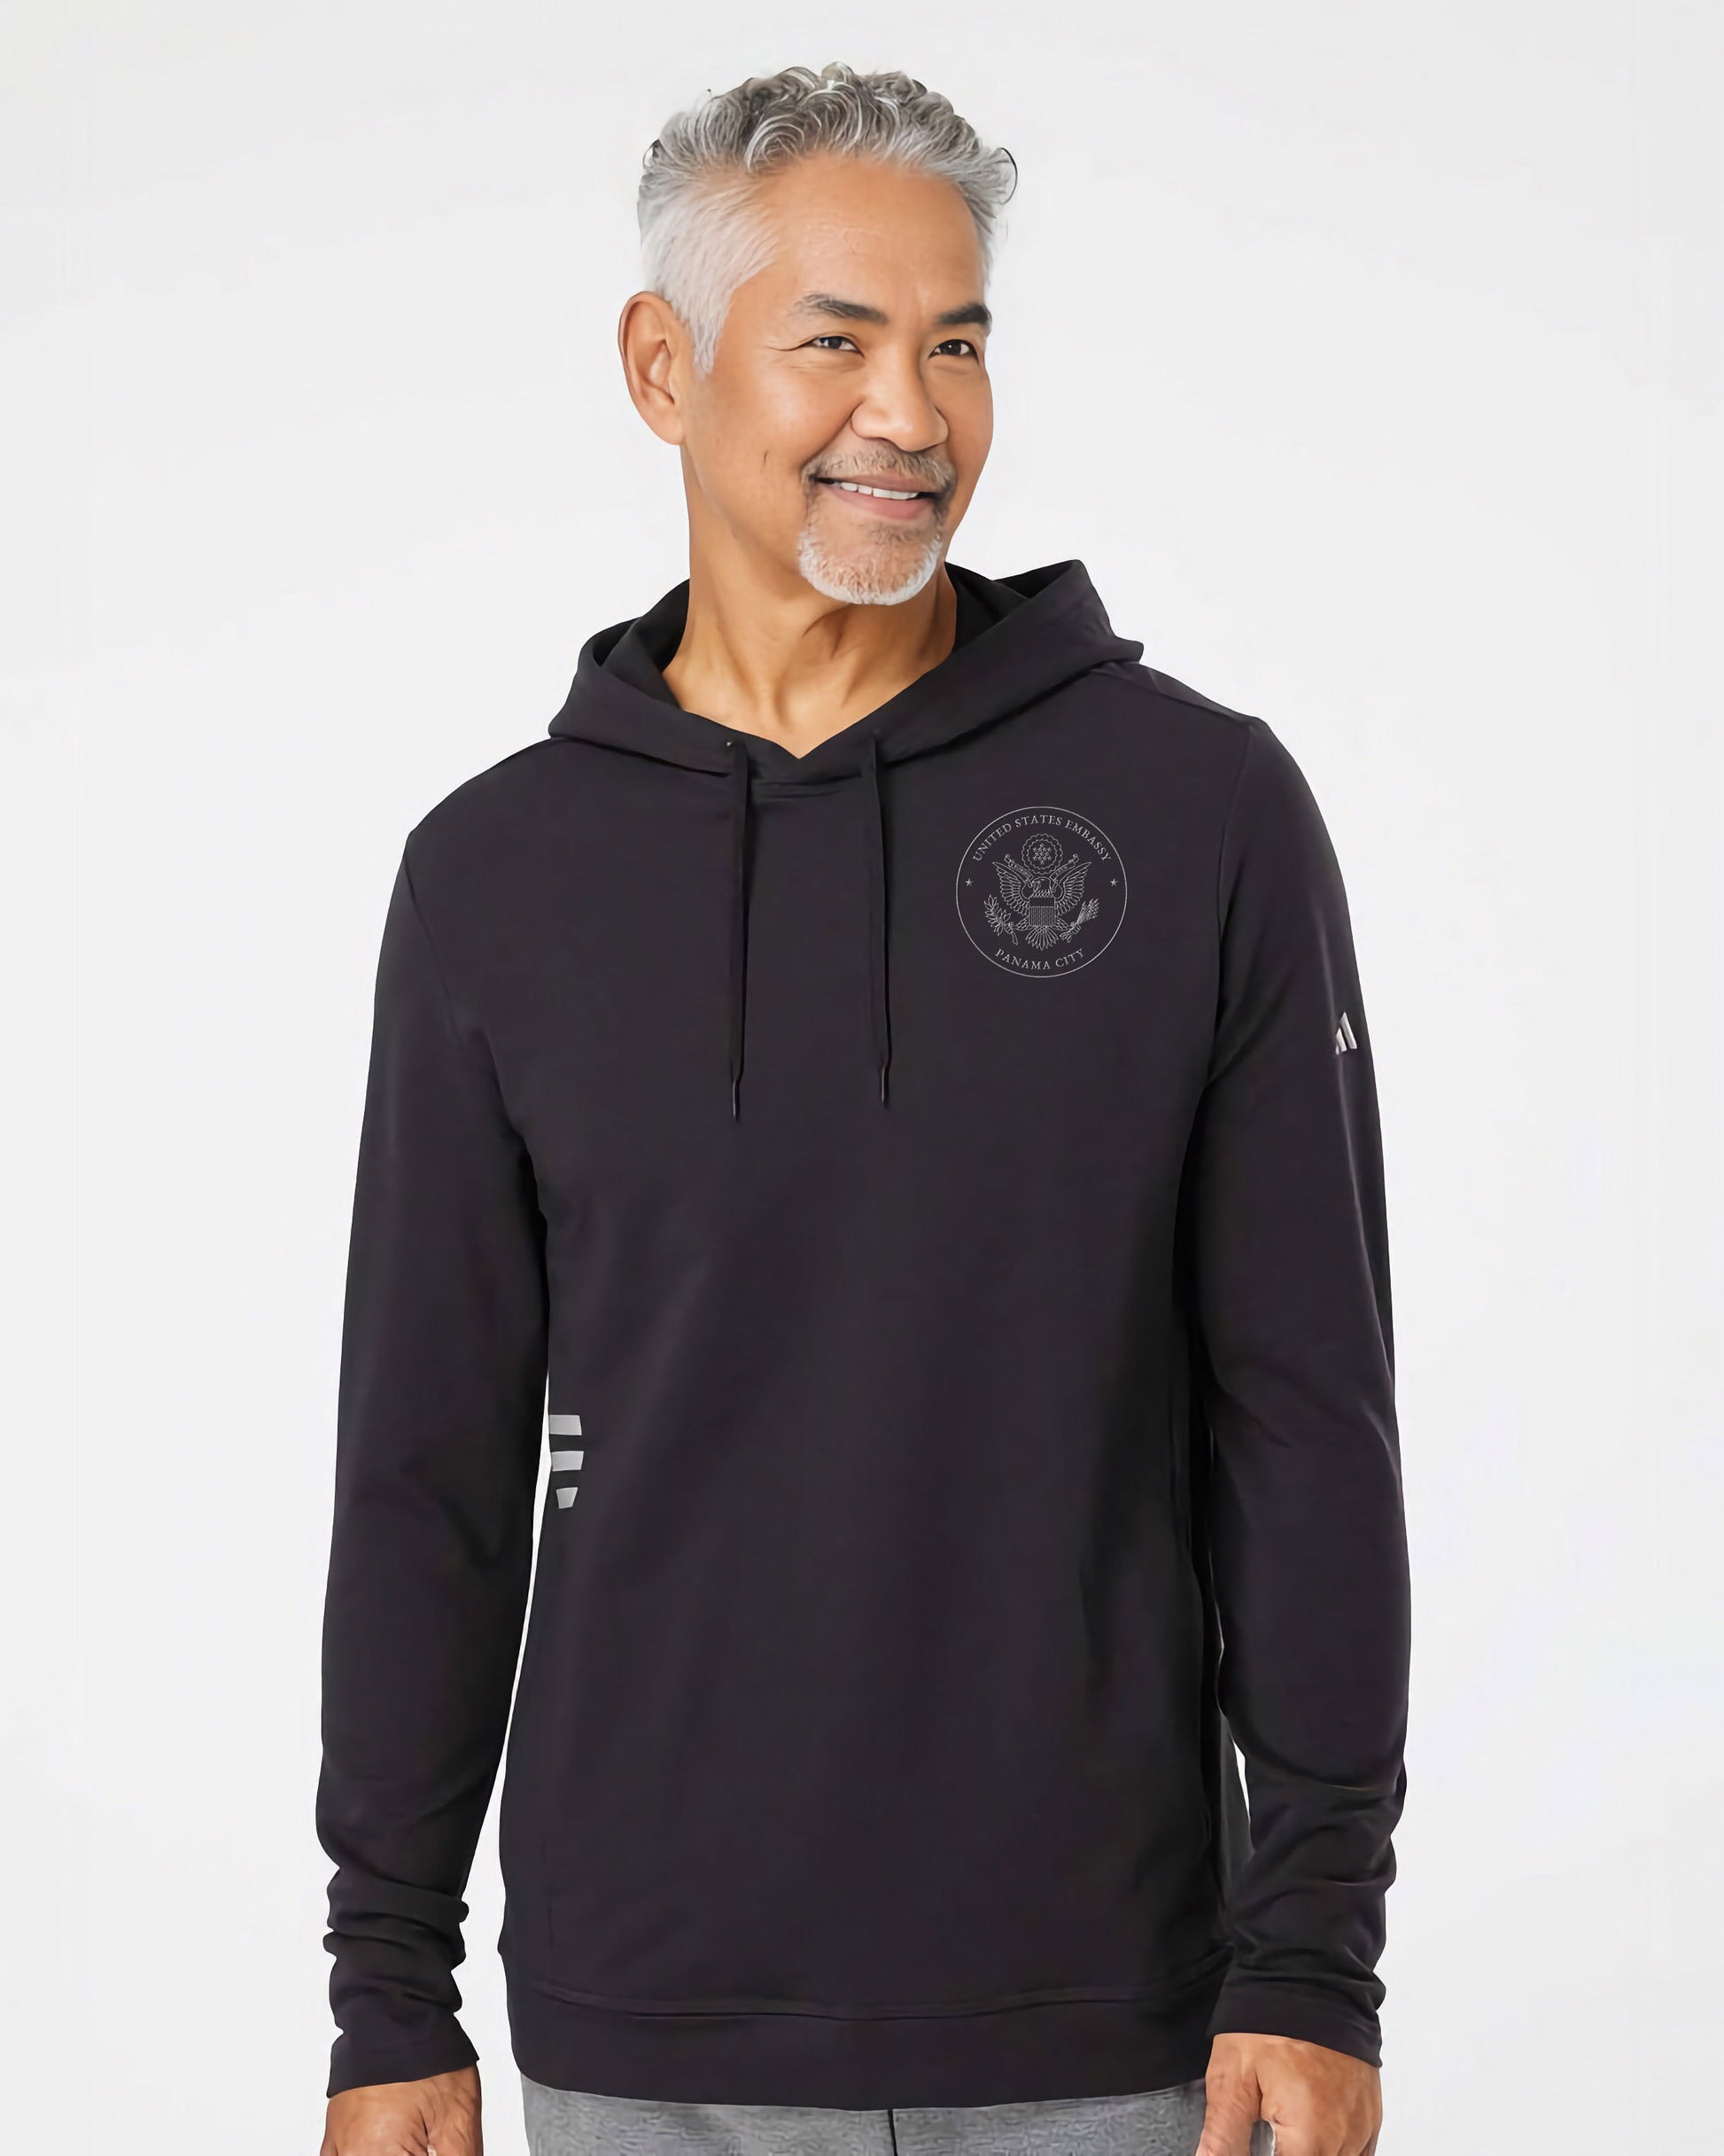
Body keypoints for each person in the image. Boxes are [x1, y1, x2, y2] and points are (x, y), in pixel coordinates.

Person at [315, 61, 1410, 2156]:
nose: (909, 414)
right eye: (834, 341)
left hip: (1117, 2018)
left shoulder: (1200, 811)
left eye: (956, 342)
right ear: (664, 366)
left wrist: (1315, 1948)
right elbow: (426, 1469)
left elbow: (1302, 1407)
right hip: (645, 2026)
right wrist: (389, 1991)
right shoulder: (497, 876)